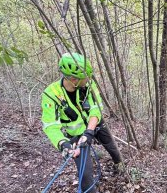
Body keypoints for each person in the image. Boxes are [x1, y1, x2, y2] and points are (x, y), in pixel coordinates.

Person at [41, 52, 124, 192]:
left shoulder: (89, 85)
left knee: (112, 147)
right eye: (85, 77)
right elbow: (50, 126)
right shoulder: (51, 94)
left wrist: (90, 131)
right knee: (85, 177)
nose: (89, 79)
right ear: (74, 79)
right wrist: (63, 144)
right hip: (76, 137)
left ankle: (119, 165)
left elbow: (96, 108)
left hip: (94, 124)